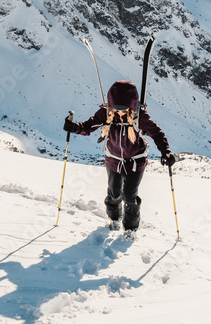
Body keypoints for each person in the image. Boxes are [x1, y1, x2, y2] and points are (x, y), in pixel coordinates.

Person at [64, 79, 176, 233]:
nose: (120, 113)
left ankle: (130, 228)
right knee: (114, 194)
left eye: (124, 110)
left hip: (136, 162)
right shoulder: (106, 112)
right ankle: (114, 219)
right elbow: (89, 126)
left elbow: (156, 133)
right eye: (117, 109)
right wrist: (74, 128)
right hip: (113, 160)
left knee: (130, 196)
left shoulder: (139, 115)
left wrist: (166, 151)